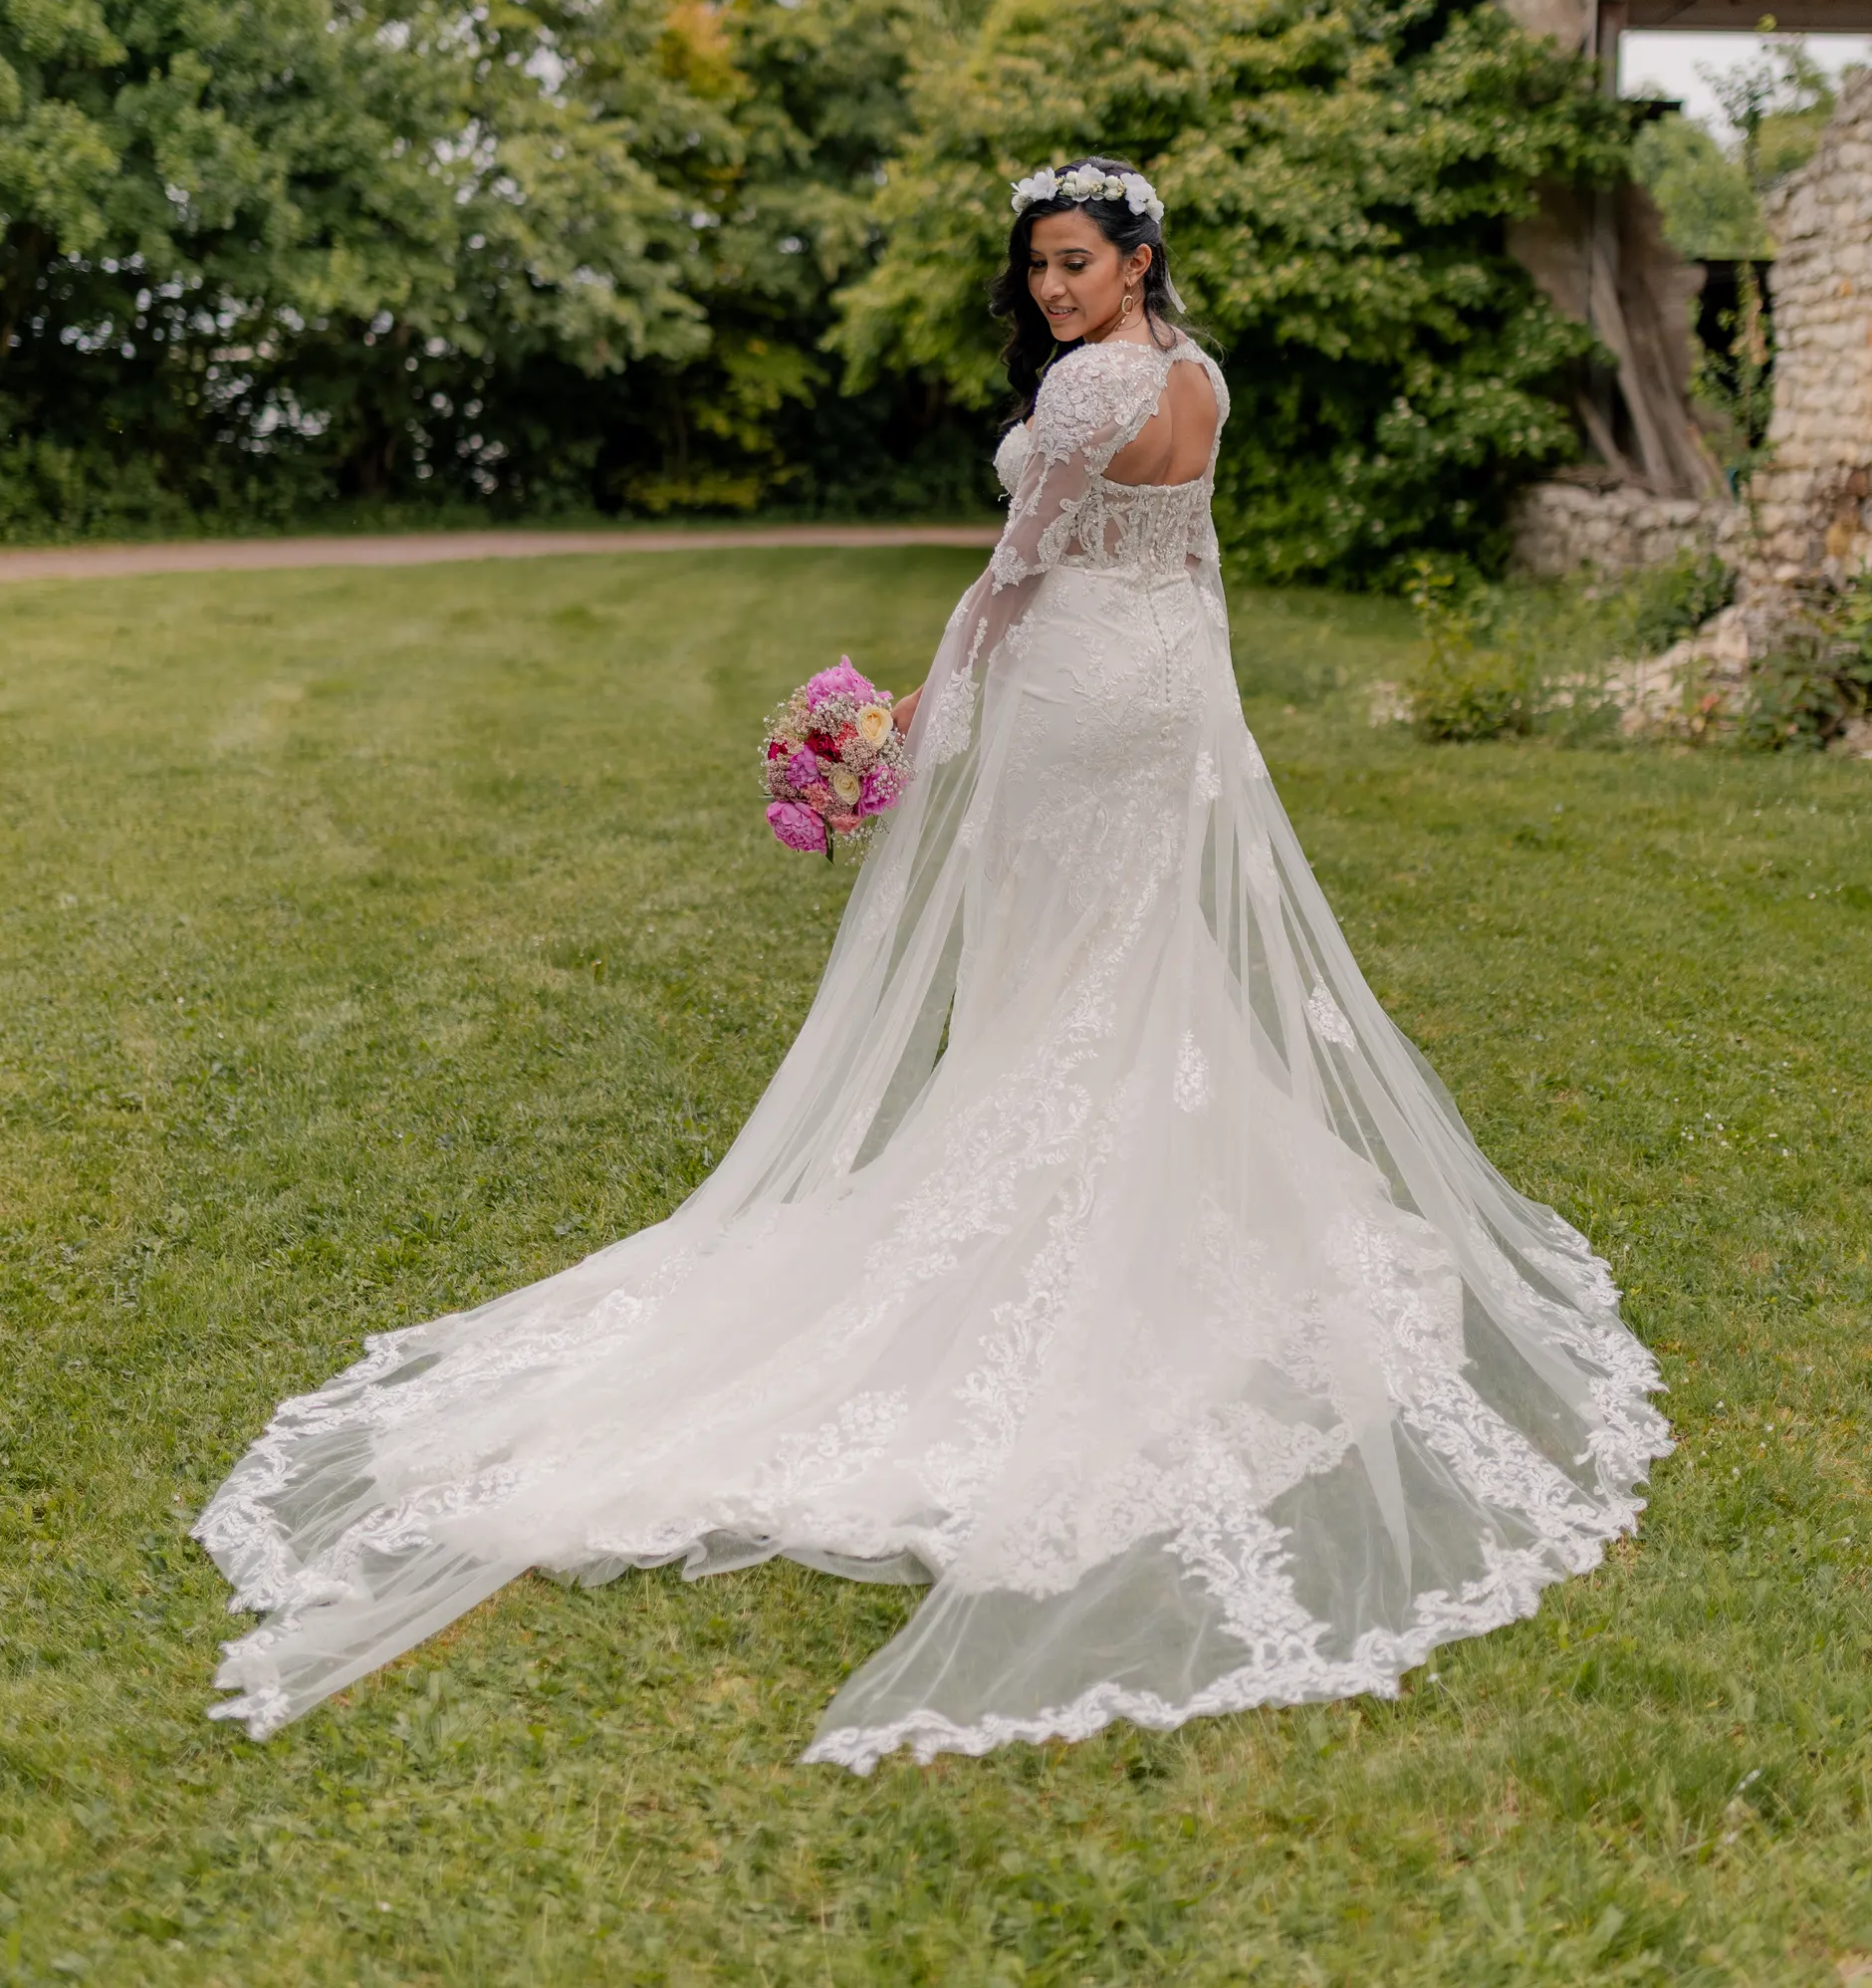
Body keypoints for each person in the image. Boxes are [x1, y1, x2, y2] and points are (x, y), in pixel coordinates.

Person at [196, 158, 1668, 1773]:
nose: (1050, 289)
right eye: (1037, 268)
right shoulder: (1199, 373)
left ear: (1136, 258)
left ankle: (1053, 1209)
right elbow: (1190, 562)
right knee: (1131, 964)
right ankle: (1150, 1189)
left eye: (1073, 262)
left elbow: (1018, 571)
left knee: (1051, 972)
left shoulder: (1100, 387)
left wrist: (912, 719)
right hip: (1168, 689)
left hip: (1077, 699)